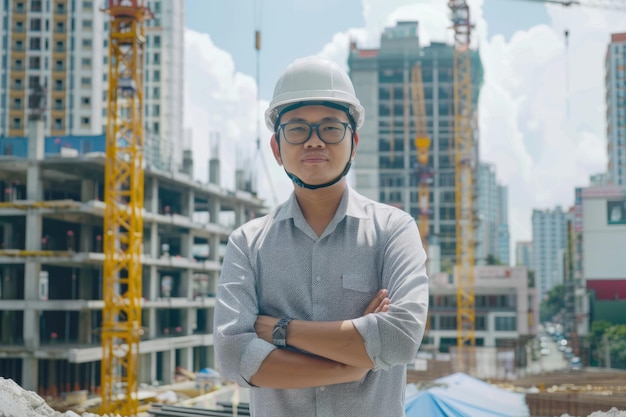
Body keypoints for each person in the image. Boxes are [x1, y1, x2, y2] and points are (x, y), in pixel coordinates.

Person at [214, 55, 429, 417]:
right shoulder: (247, 244)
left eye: (330, 128)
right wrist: (351, 363)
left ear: (354, 142)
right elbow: (233, 356)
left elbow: (400, 338)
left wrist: (279, 331)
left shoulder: (394, 230)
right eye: (297, 129)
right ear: (276, 147)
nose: (314, 142)